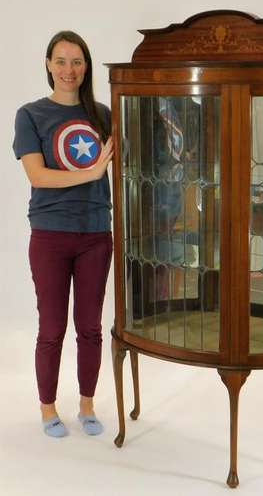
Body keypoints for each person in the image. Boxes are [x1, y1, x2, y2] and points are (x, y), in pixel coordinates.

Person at [12, 30, 114, 438]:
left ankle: (87, 406)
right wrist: (91, 172)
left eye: (77, 61)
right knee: (51, 327)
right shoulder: (30, 114)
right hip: (50, 234)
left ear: (86, 66)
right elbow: (36, 175)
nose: (69, 69)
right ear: (48, 65)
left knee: (89, 327)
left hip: (95, 234)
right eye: (61, 61)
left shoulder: (103, 114)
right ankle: (48, 408)